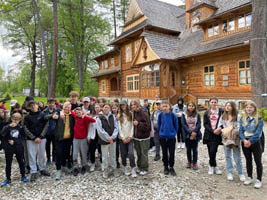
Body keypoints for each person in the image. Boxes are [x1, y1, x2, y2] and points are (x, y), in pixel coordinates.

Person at [217, 101, 245, 182]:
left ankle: (240, 173)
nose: (227, 107)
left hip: (235, 138)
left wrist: (233, 131)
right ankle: (230, 172)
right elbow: (220, 125)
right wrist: (224, 130)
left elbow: (240, 127)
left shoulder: (238, 116)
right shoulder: (223, 116)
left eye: (229, 105)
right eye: (226, 105)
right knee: (228, 156)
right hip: (226, 138)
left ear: (233, 107)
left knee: (237, 156)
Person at [23, 100, 51, 182]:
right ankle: (33, 171)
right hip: (31, 140)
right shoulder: (27, 117)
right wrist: (34, 138)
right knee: (32, 155)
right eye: (30, 105)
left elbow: (46, 125)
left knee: (42, 154)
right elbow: (25, 128)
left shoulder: (43, 115)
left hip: (42, 138)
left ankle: (42, 169)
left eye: (34, 105)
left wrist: (41, 136)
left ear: (37, 105)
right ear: (29, 107)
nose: (33, 106)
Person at [239, 101, 264, 189]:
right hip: (245, 141)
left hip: (255, 142)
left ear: (254, 109)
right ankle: (249, 177)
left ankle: (259, 179)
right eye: (247, 107)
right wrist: (244, 140)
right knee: (248, 160)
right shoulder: (242, 118)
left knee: (258, 161)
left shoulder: (259, 119)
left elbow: (258, 133)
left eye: (251, 107)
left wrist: (250, 141)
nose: (249, 109)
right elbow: (240, 131)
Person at [0, 113, 29, 187]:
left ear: (19, 120)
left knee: (21, 162)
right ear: (11, 119)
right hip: (8, 148)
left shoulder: (20, 127)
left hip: (18, 147)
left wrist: (15, 141)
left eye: (17, 120)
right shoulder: (7, 126)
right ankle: (8, 178)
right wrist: (8, 127)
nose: (15, 121)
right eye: (14, 119)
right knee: (8, 163)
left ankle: (23, 176)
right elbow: (2, 134)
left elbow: (22, 138)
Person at [96, 103, 119, 178]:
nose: (106, 109)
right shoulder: (99, 117)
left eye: (108, 107)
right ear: (102, 108)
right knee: (105, 156)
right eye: (105, 107)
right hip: (104, 140)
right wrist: (108, 137)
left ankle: (114, 168)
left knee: (113, 155)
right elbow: (100, 130)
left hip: (112, 140)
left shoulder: (112, 116)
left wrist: (113, 137)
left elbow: (116, 127)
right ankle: (105, 170)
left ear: (110, 109)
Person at [71, 107, 96, 176]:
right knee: (75, 153)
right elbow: (71, 111)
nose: (78, 114)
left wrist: (85, 116)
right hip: (75, 138)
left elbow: (93, 120)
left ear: (82, 112)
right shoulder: (75, 117)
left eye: (79, 112)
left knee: (83, 153)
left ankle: (83, 166)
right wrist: (75, 109)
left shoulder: (85, 118)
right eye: (77, 113)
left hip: (83, 139)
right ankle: (75, 167)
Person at [53, 102, 74, 180]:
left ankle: (64, 166)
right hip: (59, 138)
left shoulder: (72, 116)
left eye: (68, 107)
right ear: (63, 107)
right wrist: (55, 116)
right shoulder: (59, 113)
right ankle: (58, 169)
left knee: (66, 153)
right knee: (58, 153)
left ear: (70, 108)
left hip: (68, 138)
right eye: (65, 107)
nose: (66, 108)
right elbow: (50, 116)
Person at [203, 97, 223, 175]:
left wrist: (219, 129)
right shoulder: (206, 112)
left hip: (217, 134)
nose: (213, 104)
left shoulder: (221, 111)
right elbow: (205, 124)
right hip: (209, 134)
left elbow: (224, 121)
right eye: (212, 102)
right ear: (209, 103)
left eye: (215, 102)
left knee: (213, 150)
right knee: (210, 151)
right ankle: (213, 166)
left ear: (217, 103)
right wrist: (212, 130)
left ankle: (213, 165)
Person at [158, 100, 178, 176]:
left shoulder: (173, 115)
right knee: (164, 153)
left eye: (166, 106)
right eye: (163, 106)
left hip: (171, 138)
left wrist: (173, 133)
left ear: (169, 107)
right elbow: (159, 125)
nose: (165, 108)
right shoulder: (160, 115)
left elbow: (176, 126)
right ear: (161, 107)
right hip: (163, 137)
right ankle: (165, 166)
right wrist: (161, 132)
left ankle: (171, 167)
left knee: (172, 153)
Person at [131, 100, 151, 176]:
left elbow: (148, 126)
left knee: (144, 153)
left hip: (144, 138)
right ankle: (139, 167)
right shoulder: (134, 112)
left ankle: (145, 168)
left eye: (134, 104)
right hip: (136, 137)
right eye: (131, 105)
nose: (132, 106)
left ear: (138, 105)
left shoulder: (144, 113)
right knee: (139, 153)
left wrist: (138, 124)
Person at [118, 100, 136, 177]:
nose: (123, 107)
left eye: (124, 105)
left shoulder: (131, 114)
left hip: (130, 138)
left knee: (131, 154)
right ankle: (125, 168)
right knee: (123, 154)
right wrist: (123, 138)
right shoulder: (119, 115)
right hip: (122, 138)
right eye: (121, 105)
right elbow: (119, 128)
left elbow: (132, 126)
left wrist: (130, 136)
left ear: (126, 105)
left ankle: (133, 168)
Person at [181, 102, 202, 170]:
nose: (191, 107)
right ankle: (189, 162)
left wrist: (194, 132)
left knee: (195, 149)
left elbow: (199, 124)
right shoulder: (184, 114)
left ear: (194, 107)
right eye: (189, 106)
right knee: (188, 149)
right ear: (187, 107)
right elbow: (183, 125)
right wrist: (190, 132)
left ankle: (195, 163)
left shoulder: (197, 115)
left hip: (195, 134)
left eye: (192, 106)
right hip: (187, 134)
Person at [42, 98, 57, 165]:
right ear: (47, 103)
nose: (51, 104)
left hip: (55, 131)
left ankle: (54, 157)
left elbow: (59, 117)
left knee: (55, 146)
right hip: (47, 132)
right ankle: (48, 158)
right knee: (47, 146)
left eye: (53, 103)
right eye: (50, 103)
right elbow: (44, 117)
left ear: (54, 104)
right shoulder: (44, 111)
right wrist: (52, 116)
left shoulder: (57, 110)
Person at [87, 103, 101, 172]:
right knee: (92, 150)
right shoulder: (91, 116)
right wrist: (89, 136)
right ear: (94, 109)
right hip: (93, 135)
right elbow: (89, 127)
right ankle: (93, 163)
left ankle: (102, 163)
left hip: (100, 136)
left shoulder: (102, 115)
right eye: (96, 107)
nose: (97, 109)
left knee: (101, 150)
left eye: (98, 107)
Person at [112, 103, 120, 168]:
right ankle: (113, 161)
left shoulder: (119, 115)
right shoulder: (110, 115)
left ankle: (117, 161)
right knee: (113, 149)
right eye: (113, 108)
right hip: (113, 134)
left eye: (115, 108)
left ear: (117, 108)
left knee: (117, 149)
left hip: (119, 134)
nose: (114, 109)